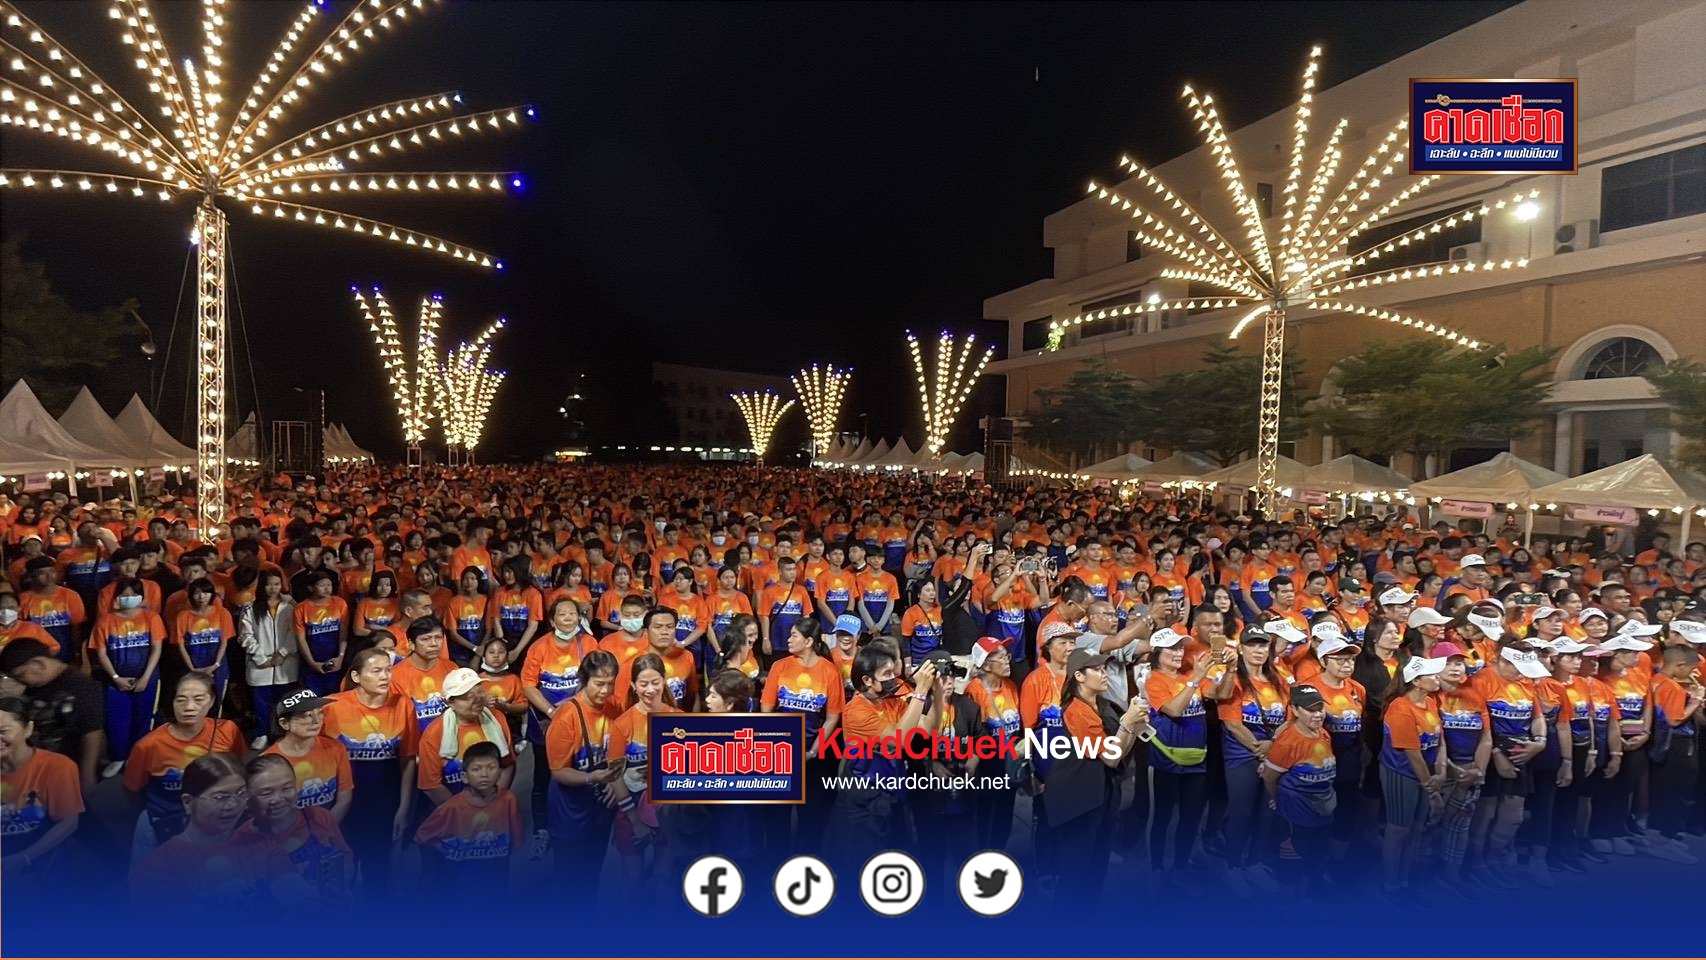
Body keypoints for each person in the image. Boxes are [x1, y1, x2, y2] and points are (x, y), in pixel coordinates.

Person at [129, 754, 329, 917]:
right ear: (188, 802)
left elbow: (294, 892)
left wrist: (319, 904)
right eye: (220, 797)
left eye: (241, 794)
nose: (233, 805)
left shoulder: (266, 847)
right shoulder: (154, 869)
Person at [1046, 649, 1150, 907]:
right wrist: (1127, 724)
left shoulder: (1105, 706)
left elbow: (1121, 751)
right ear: (1079, 676)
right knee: (1075, 877)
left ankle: (1084, 925)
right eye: (1097, 670)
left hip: (1103, 795)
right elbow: (1111, 757)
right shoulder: (1076, 710)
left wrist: (1132, 725)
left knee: (1095, 872)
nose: (1104, 675)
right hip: (1078, 800)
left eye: (1104, 669)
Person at [320, 647, 418, 899]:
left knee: (378, 875)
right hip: (342, 805)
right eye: (376, 671)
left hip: (384, 802)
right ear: (356, 676)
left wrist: (404, 808)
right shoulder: (331, 707)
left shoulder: (403, 705)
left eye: (388, 670)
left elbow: (407, 760)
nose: (385, 676)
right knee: (342, 877)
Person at [122, 673, 244, 863]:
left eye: (198, 699)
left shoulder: (228, 731)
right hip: (163, 820)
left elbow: (239, 771)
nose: (189, 707)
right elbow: (132, 789)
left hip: (217, 820)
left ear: (212, 701)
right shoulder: (148, 745)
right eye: (181, 700)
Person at [1212, 626, 1288, 898]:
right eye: (1252, 645)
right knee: (1241, 812)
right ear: (1242, 649)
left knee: (1267, 812)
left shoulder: (1279, 681)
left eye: (1263, 646)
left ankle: (1254, 864)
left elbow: (1290, 717)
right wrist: (1260, 750)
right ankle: (1232, 867)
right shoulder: (1232, 680)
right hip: (1242, 755)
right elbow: (1232, 723)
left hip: (1273, 753)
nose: (1258, 651)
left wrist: (1273, 744)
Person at [1144, 630, 1220, 893]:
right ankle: (1155, 869)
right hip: (1166, 762)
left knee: (1191, 818)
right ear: (1157, 654)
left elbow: (1220, 694)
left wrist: (1231, 670)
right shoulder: (1154, 681)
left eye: (1180, 648)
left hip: (1197, 761)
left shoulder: (1189, 676)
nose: (1178, 653)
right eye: (1171, 649)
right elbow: (1174, 710)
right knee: (1162, 817)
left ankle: (1179, 868)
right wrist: (1196, 679)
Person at [760, 617, 843, 856]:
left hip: (813, 756)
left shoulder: (829, 671)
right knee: (776, 819)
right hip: (779, 754)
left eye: (794, 635)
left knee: (811, 818)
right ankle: (776, 865)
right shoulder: (779, 666)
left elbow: (832, 717)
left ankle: (808, 864)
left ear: (809, 641)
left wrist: (813, 751)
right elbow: (766, 709)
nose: (788, 639)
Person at [545, 648, 619, 900]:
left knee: (593, 874)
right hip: (570, 812)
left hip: (600, 809)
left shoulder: (614, 707)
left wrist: (615, 781)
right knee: (570, 883)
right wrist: (591, 778)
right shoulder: (566, 717)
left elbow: (621, 751)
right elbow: (558, 771)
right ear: (584, 681)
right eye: (599, 684)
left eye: (610, 683)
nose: (605, 691)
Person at [1377, 655, 1447, 905]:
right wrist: (1433, 790)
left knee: (1415, 829)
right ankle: (1390, 886)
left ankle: (1404, 883)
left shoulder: (1430, 702)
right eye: (1432, 675)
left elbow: (1440, 740)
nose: (1438, 678)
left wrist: (1441, 772)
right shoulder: (1400, 708)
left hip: (1425, 774)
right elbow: (1413, 754)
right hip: (1402, 773)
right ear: (1416, 681)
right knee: (1398, 830)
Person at [609, 652, 679, 899]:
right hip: (630, 815)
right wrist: (635, 821)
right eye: (643, 684)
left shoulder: (678, 719)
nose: (650, 690)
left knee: (666, 875)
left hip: (668, 814)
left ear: (664, 681)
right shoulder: (621, 724)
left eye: (655, 682)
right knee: (633, 878)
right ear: (633, 685)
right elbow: (615, 776)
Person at [0, 638, 104, 799]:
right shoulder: (34, 687)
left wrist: (87, 774)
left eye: (20, 675)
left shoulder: (83, 688)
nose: (20, 681)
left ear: (38, 664)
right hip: (37, 766)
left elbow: (92, 734)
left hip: (68, 767)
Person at [1260, 683, 1336, 902]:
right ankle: (1287, 904)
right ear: (1294, 710)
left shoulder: (1323, 734)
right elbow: (1269, 776)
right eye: (1310, 710)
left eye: (1320, 708)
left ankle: (1301, 898)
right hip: (1297, 813)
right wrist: (1278, 800)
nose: (1318, 714)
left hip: (1323, 809)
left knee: (1314, 856)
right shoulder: (1288, 742)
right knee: (1293, 858)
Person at [414, 740, 522, 891]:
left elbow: (515, 841)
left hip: (498, 881)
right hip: (461, 885)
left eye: (491, 768)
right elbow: (422, 836)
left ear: (499, 772)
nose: (484, 774)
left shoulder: (509, 799)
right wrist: (447, 849)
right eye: (476, 769)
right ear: (464, 777)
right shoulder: (452, 807)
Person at [239, 752, 355, 892]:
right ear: (247, 798)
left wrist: (340, 882)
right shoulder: (241, 841)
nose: (278, 799)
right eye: (266, 793)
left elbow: (346, 860)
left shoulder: (319, 817)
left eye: (287, 788)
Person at [0, 696, 84, 890]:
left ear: (28, 729)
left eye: (3, 731)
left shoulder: (57, 767)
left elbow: (69, 822)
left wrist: (24, 858)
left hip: (41, 864)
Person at [88, 578, 166, 778]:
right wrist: (115, 677)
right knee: (117, 721)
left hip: (147, 679)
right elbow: (101, 653)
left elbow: (157, 648)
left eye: (133, 594)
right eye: (124, 595)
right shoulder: (105, 621)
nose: (129, 598)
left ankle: (139, 757)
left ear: (141, 597)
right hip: (115, 682)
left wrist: (146, 677)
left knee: (144, 719)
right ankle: (119, 757)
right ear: (116, 598)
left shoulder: (152, 617)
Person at [418, 667, 515, 807]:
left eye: (479, 691)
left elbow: (508, 765)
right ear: (451, 702)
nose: (477, 699)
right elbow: (431, 785)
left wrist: (494, 803)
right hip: (453, 810)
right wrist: (466, 812)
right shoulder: (434, 734)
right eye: (468, 696)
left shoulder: (497, 718)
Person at [1645, 645, 1702, 862]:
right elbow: (1674, 719)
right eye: (1691, 669)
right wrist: (1695, 701)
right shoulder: (1670, 686)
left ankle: (1659, 836)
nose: (1692, 674)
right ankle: (1663, 840)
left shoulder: (1657, 680)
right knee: (1676, 793)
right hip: (1675, 745)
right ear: (1680, 665)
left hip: (1664, 745)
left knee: (1665, 791)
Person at [261, 687, 353, 822]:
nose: (316, 720)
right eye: (306, 715)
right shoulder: (267, 762)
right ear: (284, 723)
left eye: (320, 712)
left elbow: (344, 797)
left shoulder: (336, 748)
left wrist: (327, 828)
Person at [239, 570, 299, 749]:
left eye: (277, 584)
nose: (273, 588)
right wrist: (260, 658)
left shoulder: (290, 608)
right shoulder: (250, 608)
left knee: (285, 701)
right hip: (260, 665)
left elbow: (295, 632)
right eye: (269, 584)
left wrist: (283, 653)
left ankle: (284, 733)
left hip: (285, 663)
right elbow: (245, 636)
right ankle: (262, 733)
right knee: (261, 702)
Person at [169, 578, 235, 717]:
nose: (201, 596)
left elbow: (224, 642)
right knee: (194, 701)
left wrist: (215, 665)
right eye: (197, 593)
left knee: (216, 701)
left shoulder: (223, 613)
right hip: (192, 665)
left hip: (217, 665)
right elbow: (180, 645)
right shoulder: (183, 616)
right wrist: (192, 669)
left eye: (205, 592)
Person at [392, 617, 455, 732]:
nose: (434, 644)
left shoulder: (452, 668)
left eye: (438, 638)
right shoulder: (395, 676)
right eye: (425, 639)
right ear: (411, 644)